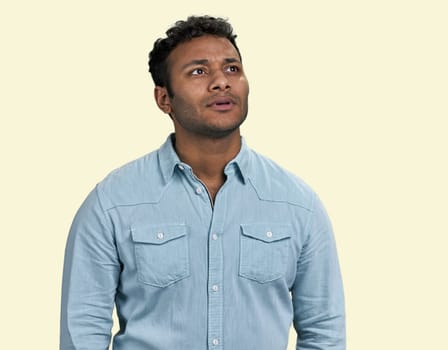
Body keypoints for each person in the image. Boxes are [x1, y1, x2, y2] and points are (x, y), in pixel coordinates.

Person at [60, 15, 345, 350]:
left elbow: (323, 331)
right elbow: (83, 330)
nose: (221, 82)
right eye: (198, 71)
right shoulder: (112, 202)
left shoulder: (297, 204)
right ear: (164, 99)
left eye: (232, 69)